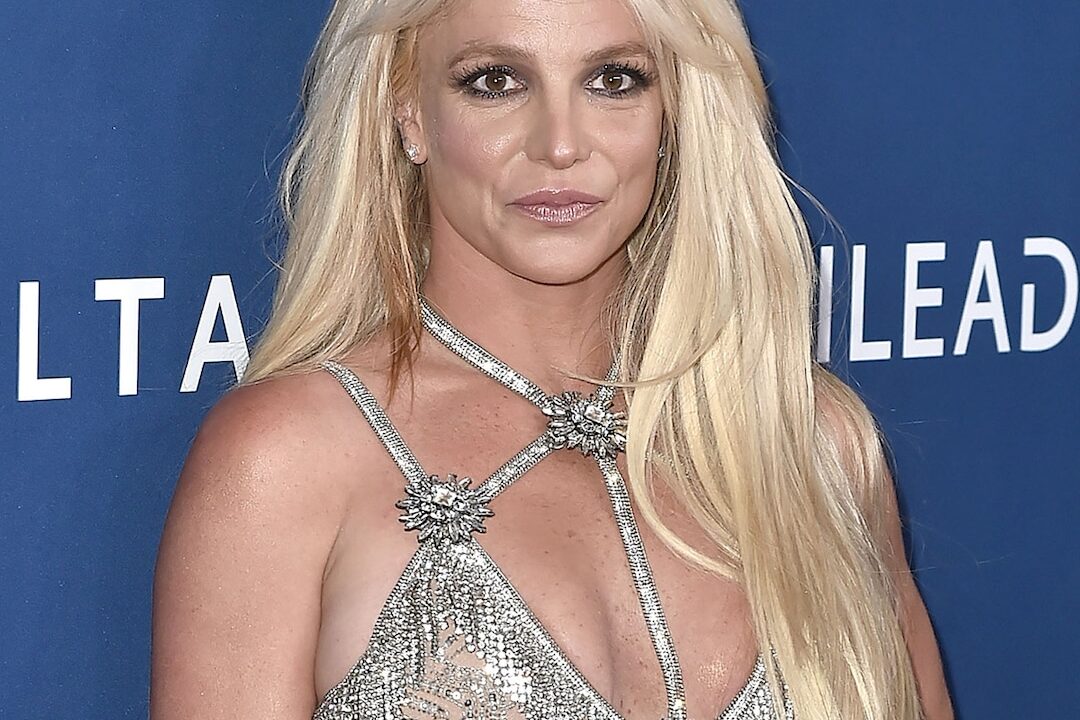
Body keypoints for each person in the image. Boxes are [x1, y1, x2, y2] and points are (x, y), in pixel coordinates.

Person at [149, 0, 954, 718]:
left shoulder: (812, 442)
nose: (561, 145)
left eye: (614, 80)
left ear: (675, 110)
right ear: (408, 112)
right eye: (495, 82)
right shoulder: (288, 457)